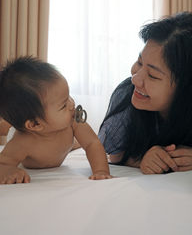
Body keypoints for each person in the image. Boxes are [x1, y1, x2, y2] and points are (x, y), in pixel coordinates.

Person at [98, 11, 192, 174]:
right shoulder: (126, 95)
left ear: (188, 90)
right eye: (139, 62)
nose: (135, 79)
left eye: (152, 75)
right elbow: (115, 154)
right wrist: (140, 160)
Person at [0, 56, 112, 184]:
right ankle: (5, 126)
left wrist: (101, 171)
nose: (72, 105)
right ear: (35, 124)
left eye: (69, 96)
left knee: (78, 141)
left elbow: (92, 143)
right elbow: (2, 164)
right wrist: (7, 170)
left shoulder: (73, 121)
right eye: (64, 105)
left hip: (64, 143)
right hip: (32, 134)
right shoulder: (22, 142)